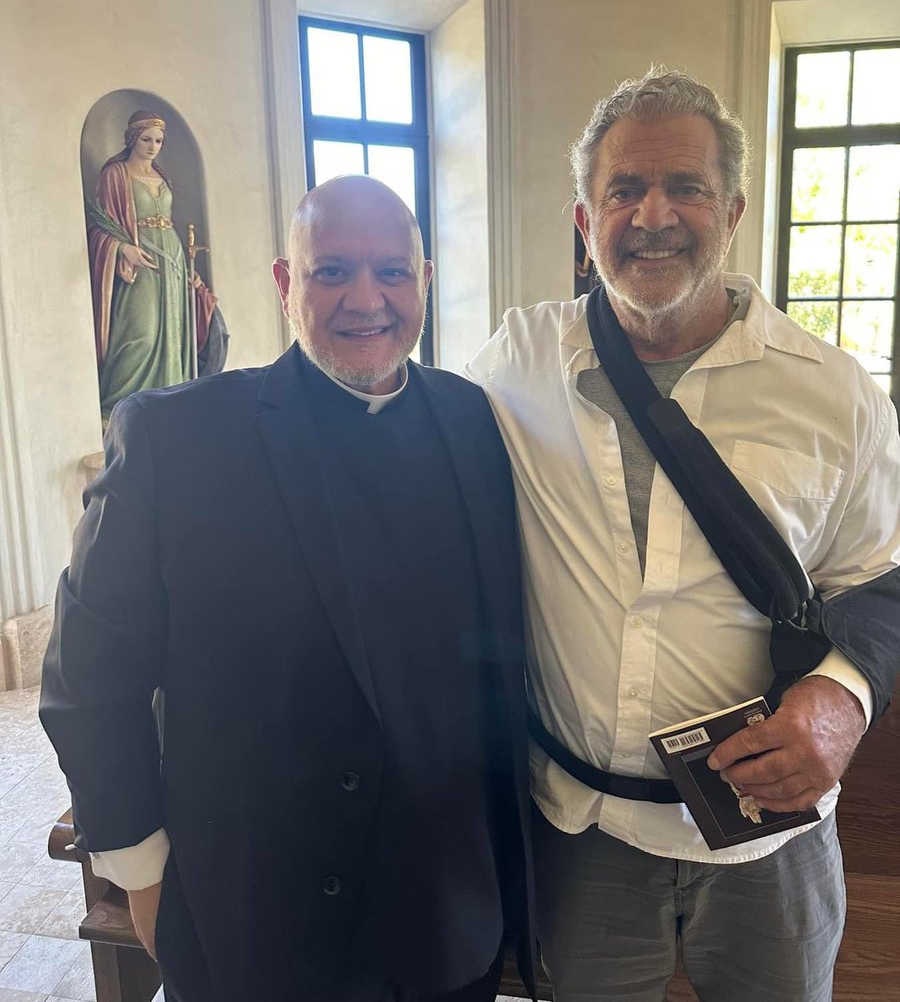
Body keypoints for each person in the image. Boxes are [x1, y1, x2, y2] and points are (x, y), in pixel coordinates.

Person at [43, 176, 535, 1002]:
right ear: (283, 284)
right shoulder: (178, 438)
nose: (366, 299)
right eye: (331, 271)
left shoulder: (474, 421)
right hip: (252, 919)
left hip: (446, 915)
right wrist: (139, 870)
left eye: (392, 272)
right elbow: (88, 671)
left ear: (427, 280)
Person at [467, 68, 900, 1002]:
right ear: (585, 221)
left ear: (733, 210)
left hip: (770, 838)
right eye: (622, 190)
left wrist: (843, 702)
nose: (652, 214)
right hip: (583, 834)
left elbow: (881, 577)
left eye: (687, 188)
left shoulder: (834, 392)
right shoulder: (515, 363)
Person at [86, 110, 217, 419]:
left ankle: (169, 400)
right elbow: (99, 227)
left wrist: (186, 266)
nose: (153, 146)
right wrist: (122, 249)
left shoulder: (161, 174)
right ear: (132, 138)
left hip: (170, 257)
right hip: (139, 260)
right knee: (140, 333)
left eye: (159, 141)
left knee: (174, 329)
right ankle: (120, 405)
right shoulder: (115, 174)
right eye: (146, 139)